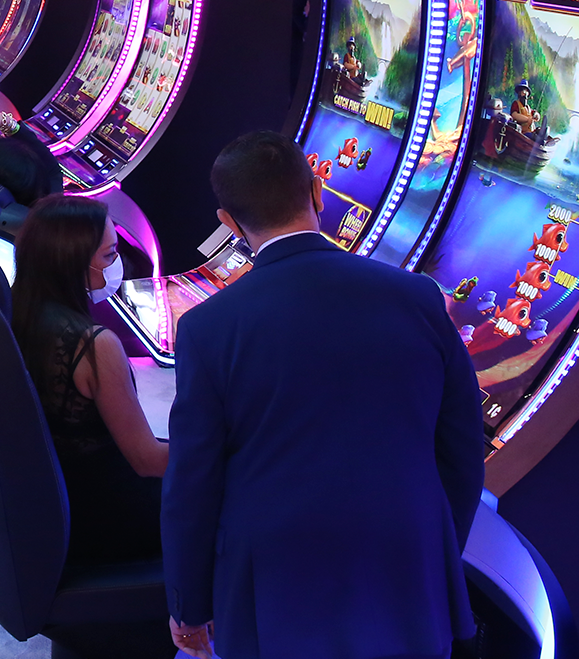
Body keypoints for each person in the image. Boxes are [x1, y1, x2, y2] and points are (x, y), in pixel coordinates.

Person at [163, 131, 485, 659]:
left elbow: (192, 485)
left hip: (276, 573)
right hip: (405, 555)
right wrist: (434, 546)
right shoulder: (419, 296)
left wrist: (188, 603)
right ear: (317, 191)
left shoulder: (207, 327)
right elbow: (462, 451)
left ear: (228, 222)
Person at [9, 195, 166, 564]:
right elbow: (147, 460)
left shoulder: (12, 306)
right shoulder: (93, 345)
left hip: (46, 496)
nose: (117, 265)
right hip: (100, 512)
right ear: (74, 262)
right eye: (110, 255)